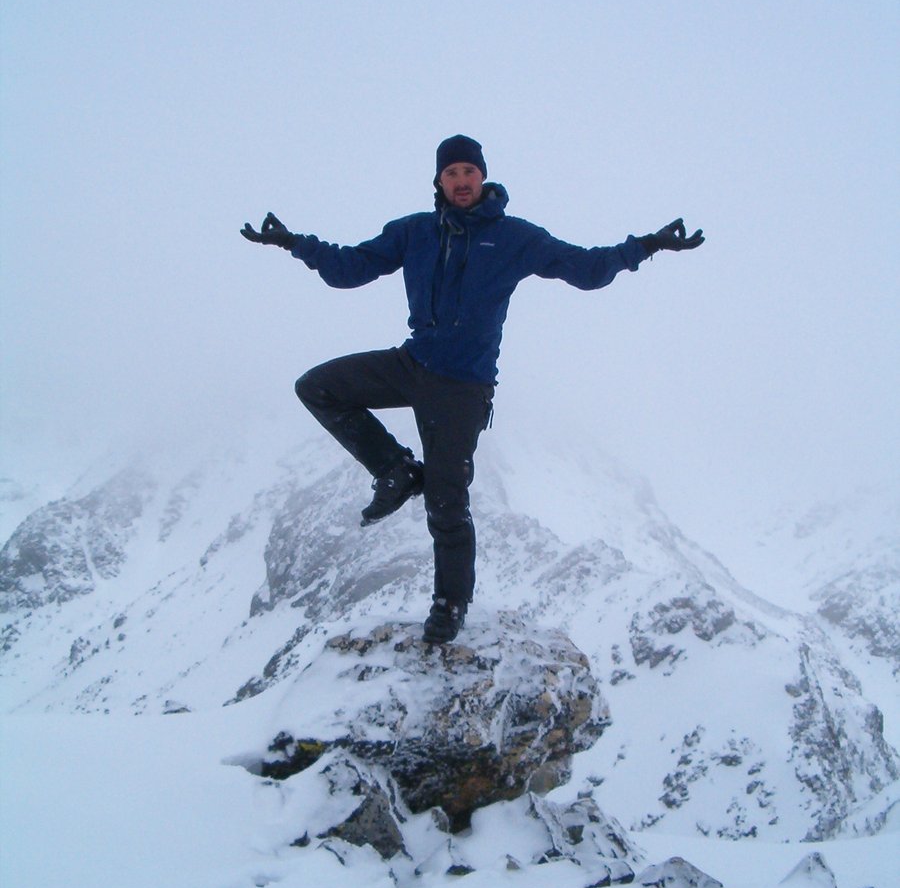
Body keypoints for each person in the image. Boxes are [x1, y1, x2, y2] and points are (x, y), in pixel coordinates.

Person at [241, 134, 704, 644]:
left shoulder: (514, 239)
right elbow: (350, 269)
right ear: (438, 181)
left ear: (483, 178)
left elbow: (586, 270)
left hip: (463, 386)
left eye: (469, 172)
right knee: (318, 387)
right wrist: (293, 243)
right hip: (413, 361)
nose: (461, 181)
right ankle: (394, 469)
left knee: (446, 500)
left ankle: (450, 602)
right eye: (451, 173)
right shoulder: (414, 232)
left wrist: (649, 245)